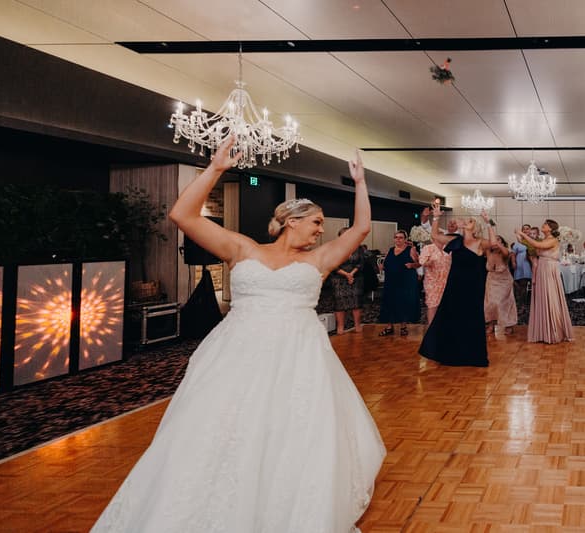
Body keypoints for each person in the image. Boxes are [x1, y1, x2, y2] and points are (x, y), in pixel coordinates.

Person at [91, 137, 386, 533]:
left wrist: (361, 183)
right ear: (291, 220)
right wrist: (215, 169)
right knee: (220, 430)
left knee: (286, 435)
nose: (320, 231)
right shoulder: (242, 248)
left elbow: (362, 227)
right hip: (237, 355)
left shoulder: (320, 259)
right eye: (316, 222)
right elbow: (182, 214)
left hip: (296, 359)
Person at [419, 201, 492, 367]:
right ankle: (449, 354)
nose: (466, 222)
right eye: (467, 221)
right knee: (450, 316)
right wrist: (436, 217)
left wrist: (488, 222)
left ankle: (472, 355)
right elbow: (435, 236)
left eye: (471, 221)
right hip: (455, 285)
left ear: (475, 227)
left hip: (473, 287)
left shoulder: (480, 242)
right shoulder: (455, 240)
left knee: (471, 319)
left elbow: (494, 243)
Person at [516, 220, 574, 344]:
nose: (543, 225)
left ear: (551, 228)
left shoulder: (553, 240)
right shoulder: (543, 239)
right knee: (542, 298)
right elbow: (534, 247)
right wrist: (522, 238)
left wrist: (523, 234)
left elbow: (539, 247)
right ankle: (543, 331)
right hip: (542, 268)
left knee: (550, 297)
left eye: (546, 224)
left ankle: (554, 331)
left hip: (549, 270)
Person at [378, 230, 420, 336]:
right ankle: (389, 327)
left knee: (403, 302)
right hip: (391, 281)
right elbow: (384, 263)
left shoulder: (411, 249)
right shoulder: (390, 250)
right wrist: (382, 267)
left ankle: (403, 326)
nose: (398, 239)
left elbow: (419, 263)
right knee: (389, 302)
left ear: (405, 239)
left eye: (401, 237)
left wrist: (412, 265)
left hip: (405, 281)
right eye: (396, 237)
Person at [331, 226, 365, 335]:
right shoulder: (334, 248)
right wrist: (346, 275)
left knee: (356, 302)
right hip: (338, 279)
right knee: (340, 303)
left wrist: (351, 274)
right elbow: (332, 264)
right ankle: (340, 327)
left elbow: (361, 262)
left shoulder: (358, 247)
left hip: (355, 277)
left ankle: (357, 325)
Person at [485, 235, 517, 335]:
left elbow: (505, 253)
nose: (494, 241)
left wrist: (497, 243)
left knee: (504, 303)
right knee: (490, 303)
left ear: (502, 242)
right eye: (493, 239)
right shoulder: (488, 251)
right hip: (491, 279)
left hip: (504, 280)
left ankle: (508, 325)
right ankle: (491, 324)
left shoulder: (505, 252)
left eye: (498, 239)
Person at [419, 238, 452, 325]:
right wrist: (428, 263)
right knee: (432, 304)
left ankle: (442, 327)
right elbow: (422, 261)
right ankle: (431, 328)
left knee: (445, 305)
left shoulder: (448, 248)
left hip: (446, 280)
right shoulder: (428, 248)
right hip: (432, 281)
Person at [510, 225, 532, 305]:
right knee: (520, 283)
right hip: (520, 265)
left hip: (529, 265)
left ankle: (527, 301)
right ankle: (520, 301)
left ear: (530, 230)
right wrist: (513, 262)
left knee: (526, 282)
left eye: (527, 229)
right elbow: (513, 254)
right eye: (524, 229)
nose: (525, 230)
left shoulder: (532, 241)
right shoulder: (517, 243)